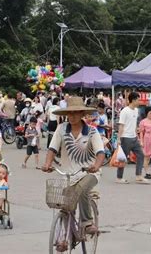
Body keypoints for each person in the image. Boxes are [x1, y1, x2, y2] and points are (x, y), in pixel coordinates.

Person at [42, 96, 105, 236]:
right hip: (67, 174)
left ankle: (87, 222)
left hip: (89, 173)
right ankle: (65, 237)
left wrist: (96, 165)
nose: (72, 116)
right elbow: (52, 149)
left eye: (75, 113)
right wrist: (47, 164)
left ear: (82, 114)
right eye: (69, 113)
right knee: (65, 207)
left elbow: (100, 152)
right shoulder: (61, 129)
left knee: (82, 190)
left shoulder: (92, 132)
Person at [117, 92, 149, 184]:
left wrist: (137, 136)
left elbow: (134, 124)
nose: (139, 101)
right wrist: (119, 139)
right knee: (123, 158)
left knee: (141, 155)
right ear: (134, 100)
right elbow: (121, 126)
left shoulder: (136, 110)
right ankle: (119, 178)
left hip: (134, 138)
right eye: (138, 100)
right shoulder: (124, 111)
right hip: (125, 138)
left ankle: (138, 176)